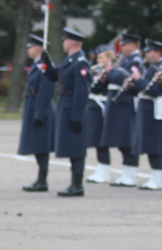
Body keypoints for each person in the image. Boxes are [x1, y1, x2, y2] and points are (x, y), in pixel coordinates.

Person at [100, 32, 143, 186]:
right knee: (121, 140)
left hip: (127, 103)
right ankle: (126, 172)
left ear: (132, 45)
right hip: (118, 103)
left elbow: (126, 78)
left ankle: (130, 174)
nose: (121, 48)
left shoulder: (135, 61)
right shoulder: (125, 60)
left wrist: (110, 72)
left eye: (124, 45)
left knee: (127, 140)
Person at [54, 28, 92, 196]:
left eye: (64, 40)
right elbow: (56, 75)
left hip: (73, 108)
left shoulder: (80, 63)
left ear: (70, 43)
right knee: (71, 146)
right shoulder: (70, 60)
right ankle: (74, 184)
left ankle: (77, 185)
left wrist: (77, 116)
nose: (63, 43)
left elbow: (82, 91)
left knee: (76, 148)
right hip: (66, 105)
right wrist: (47, 64)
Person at [17, 34, 57, 191]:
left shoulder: (44, 66)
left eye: (31, 47)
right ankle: (41, 179)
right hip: (32, 106)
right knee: (37, 145)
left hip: (41, 109)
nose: (28, 50)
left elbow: (47, 90)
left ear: (38, 49)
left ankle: (42, 180)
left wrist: (39, 113)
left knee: (41, 146)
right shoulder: (36, 64)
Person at [130, 38, 162, 190]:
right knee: (147, 143)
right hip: (146, 107)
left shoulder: (161, 68)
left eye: (149, 52)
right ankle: (154, 177)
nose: (146, 55)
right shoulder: (150, 67)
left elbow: (154, 90)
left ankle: (157, 178)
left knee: (155, 144)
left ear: (157, 53)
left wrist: (138, 80)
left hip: (155, 108)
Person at [85, 45, 114, 183]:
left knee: (101, 140)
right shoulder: (97, 70)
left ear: (109, 58)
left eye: (101, 57)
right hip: (93, 105)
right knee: (96, 139)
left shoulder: (112, 71)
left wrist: (107, 75)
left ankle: (104, 169)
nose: (98, 60)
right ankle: (101, 167)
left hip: (102, 105)